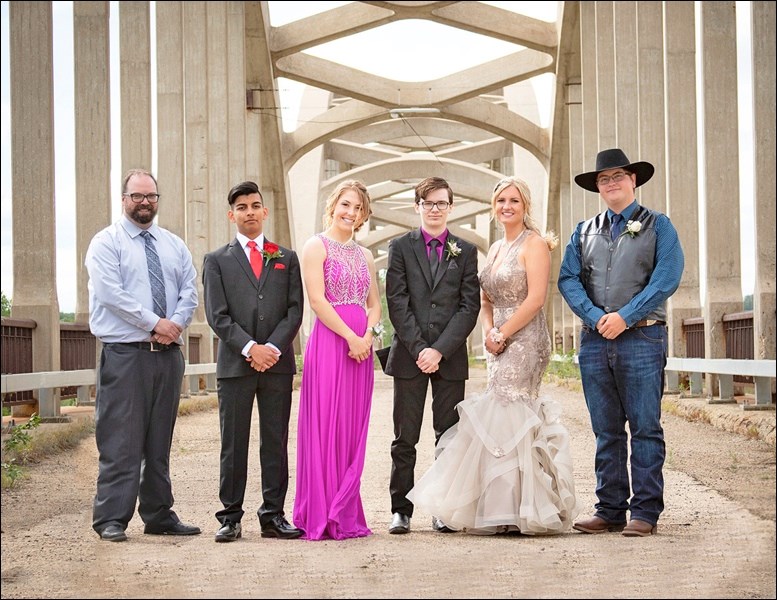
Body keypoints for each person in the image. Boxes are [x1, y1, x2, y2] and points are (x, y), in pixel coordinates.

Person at [407, 176, 580, 535]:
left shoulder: (534, 245)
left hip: (526, 338)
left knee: (508, 409)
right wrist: (488, 331)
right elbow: (485, 300)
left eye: (514, 200)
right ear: (493, 206)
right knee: (502, 415)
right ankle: (504, 506)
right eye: (501, 200)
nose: (507, 206)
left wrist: (504, 331)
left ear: (525, 205)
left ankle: (521, 509)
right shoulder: (498, 247)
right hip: (496, 342)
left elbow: (535, 299)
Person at [558, 148, 684, 537]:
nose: (611, 183)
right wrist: (597, 318)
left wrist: (624, 316)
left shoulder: (658, 225)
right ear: (597, 187)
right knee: (606, 429)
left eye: (618, 177)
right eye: (604, 179)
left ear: (633, 180)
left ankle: (644, 512)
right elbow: (567, 279)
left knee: (645, 426)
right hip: (595, 342)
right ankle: (609, 509)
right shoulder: (583, 231)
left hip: (643, 336)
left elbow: (667, 276)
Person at [85, 168, 200, 542]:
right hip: (126, 354)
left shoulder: (173, 244)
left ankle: (158, 514)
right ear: (124, 200)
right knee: (121, 438)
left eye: (151, 196)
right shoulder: (106, 243)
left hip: (167, 355)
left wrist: (176, 324)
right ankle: (111, 519)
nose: (145, 202)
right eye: (137, 196)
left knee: (158, 440)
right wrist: (155, 323)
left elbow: (189, 289)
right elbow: (110, 294)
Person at [202, 181, 304, 543]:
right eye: (241, 207)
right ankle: (230, 516)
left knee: (274, 441)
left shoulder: (285, 258)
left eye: (255, 205)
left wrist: (272, 348)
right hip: (236, 365)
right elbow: (217, 315)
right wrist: (250, 348)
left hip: (276, 365)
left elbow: (294, 311)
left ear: (265, 211)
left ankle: (273, 515)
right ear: (232, 214)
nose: (249, 212)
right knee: (234, 442)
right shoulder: (217, 260)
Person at [383, 176, 481, 534]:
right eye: (428, 203)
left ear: (451, 207)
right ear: (417, 207)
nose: (435, 209)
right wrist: (420, 348)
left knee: (448, 436)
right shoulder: (400, 247)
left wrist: (439, 350)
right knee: (404, 437)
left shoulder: (466, 251)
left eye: (441, 203)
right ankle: (401, 509)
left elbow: (469, 307)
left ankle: (444, 507)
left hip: (449, 358)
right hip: (410, 355)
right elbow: (397, 301)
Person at [292, 180, 382, 541]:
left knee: (351, 427)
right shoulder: (316, 246)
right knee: (326, 423)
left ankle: (345, 510)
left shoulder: (366, 255)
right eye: (346, 205)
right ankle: (320, 510)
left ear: (364, 215)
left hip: (361, 349)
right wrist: (350, 337)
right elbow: (317, 300)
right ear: (333, 206)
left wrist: (368, 337)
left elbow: (375, 305)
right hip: (332, 344)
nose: (351, 212)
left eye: (358, 208)